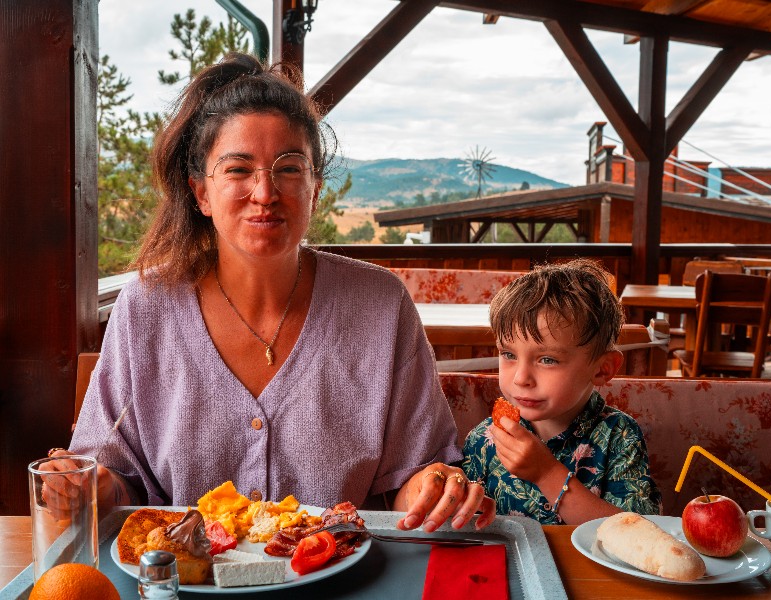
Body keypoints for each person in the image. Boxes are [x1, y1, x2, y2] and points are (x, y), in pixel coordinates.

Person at [54, 52, 494, 533]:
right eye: (239, 170)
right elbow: (120, 481)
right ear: (201, 192)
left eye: (288, 168)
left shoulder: (382, 305)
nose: (265, 193)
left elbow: (410, 476)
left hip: (338, 578)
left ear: (315, 189)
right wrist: (89, 484)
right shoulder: (145, 308)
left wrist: (434, 485)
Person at [461, 259, 661, 525]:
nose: (521, 378)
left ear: (602, 369)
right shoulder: (484, 439)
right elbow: (464, 523)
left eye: (547, 360)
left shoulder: (619, 436)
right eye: (509, 354)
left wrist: (547, 474)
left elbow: (638, 536)